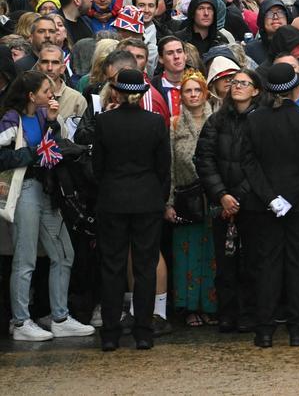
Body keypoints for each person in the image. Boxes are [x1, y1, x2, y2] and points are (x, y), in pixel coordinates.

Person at [2, 70, 94, 341]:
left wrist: (52, 124)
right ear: (31, 95)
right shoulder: (11, 119)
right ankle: (20, 322)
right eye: (46, 91)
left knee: (64, 253)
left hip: (48, 189)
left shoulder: (45, 115)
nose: (51, 95)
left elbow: (59, 143)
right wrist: (32, 154)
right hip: (25, 189)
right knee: (25, 258)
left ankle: (60, 317)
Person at [241, 63, 299, 348]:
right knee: (298, 266)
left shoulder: (254, 120)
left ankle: (264, 330)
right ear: (293, 87)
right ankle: (298, 329)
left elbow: (248, 163)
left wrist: (271, 198)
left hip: (266, 205)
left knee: (267, 265)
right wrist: (288, 196)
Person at [92, 69, 171, 351]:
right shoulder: (155, 122)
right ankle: (143, 332)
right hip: (147, 200)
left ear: (117, 92)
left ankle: (111, 334)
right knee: (145, 267)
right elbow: (164, 167)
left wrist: (108, 189)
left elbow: (97, 167)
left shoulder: (104, 122)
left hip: (113, 199)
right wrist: (158, 197)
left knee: (112, 266)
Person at [194, 68, 262, 333]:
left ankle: (248, 313)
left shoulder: (261, 121)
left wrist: (241, 196)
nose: (237, 87)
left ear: (256, 90)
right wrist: (222, 195)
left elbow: (262, 162)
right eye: (234, 82)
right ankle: (227, 312)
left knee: (250, 261)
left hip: (252, 202)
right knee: (224, 263)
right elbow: (204, 159)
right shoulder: (216, 121)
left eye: (244, 83)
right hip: (221, 203)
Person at [166, 70, 216, 328]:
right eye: (188, 91)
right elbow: (170, 166)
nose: (194, 95)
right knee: (186, 254)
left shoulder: (216, 121)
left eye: (198, 90)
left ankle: (210, 305)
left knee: (212, 254)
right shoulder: (175, 124)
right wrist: (169, 202)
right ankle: (188, 306)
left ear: (205, 93)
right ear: (181, 95)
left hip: (214, 198)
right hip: (186, 198)